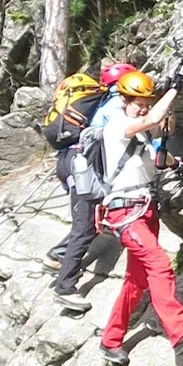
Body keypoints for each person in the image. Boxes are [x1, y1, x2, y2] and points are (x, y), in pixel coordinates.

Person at [90, 67, 183, 366]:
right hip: (126, 214)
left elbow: (155, 157)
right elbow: (153, 119)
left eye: (146, 103)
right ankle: (180, 333)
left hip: (144, 212)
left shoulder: (140, 136)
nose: (142, 108)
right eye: (137, 103)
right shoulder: (117, 125)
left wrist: (176, 164)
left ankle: (111, 340)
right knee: (159, 265)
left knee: (136, 280)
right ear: (124, 101)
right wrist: (172, 92)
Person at [53, 60, 130, 314]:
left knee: (85, 224)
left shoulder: (102, 102)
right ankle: (65, 289)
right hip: (82, 167)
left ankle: (56, 255)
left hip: (70, 161)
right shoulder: (116, 105)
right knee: (85, 228)